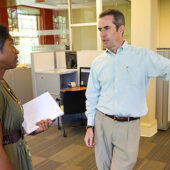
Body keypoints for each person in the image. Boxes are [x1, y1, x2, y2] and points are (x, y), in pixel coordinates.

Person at [84, 9, 170, 170]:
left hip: (129, 126)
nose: (102, 34)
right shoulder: (98, 62)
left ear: (121, 29)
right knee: (102, 166)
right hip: (102, 122)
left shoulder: (142, 56)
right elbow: (92, 96)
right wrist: (90, 126)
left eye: (107, 28)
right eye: (100, 29)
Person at [0, 24, 53, 170]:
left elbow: (6, 129)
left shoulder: (3, 82)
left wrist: (30, 129)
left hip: (17, 153)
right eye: (11, 44)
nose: (16, 51)